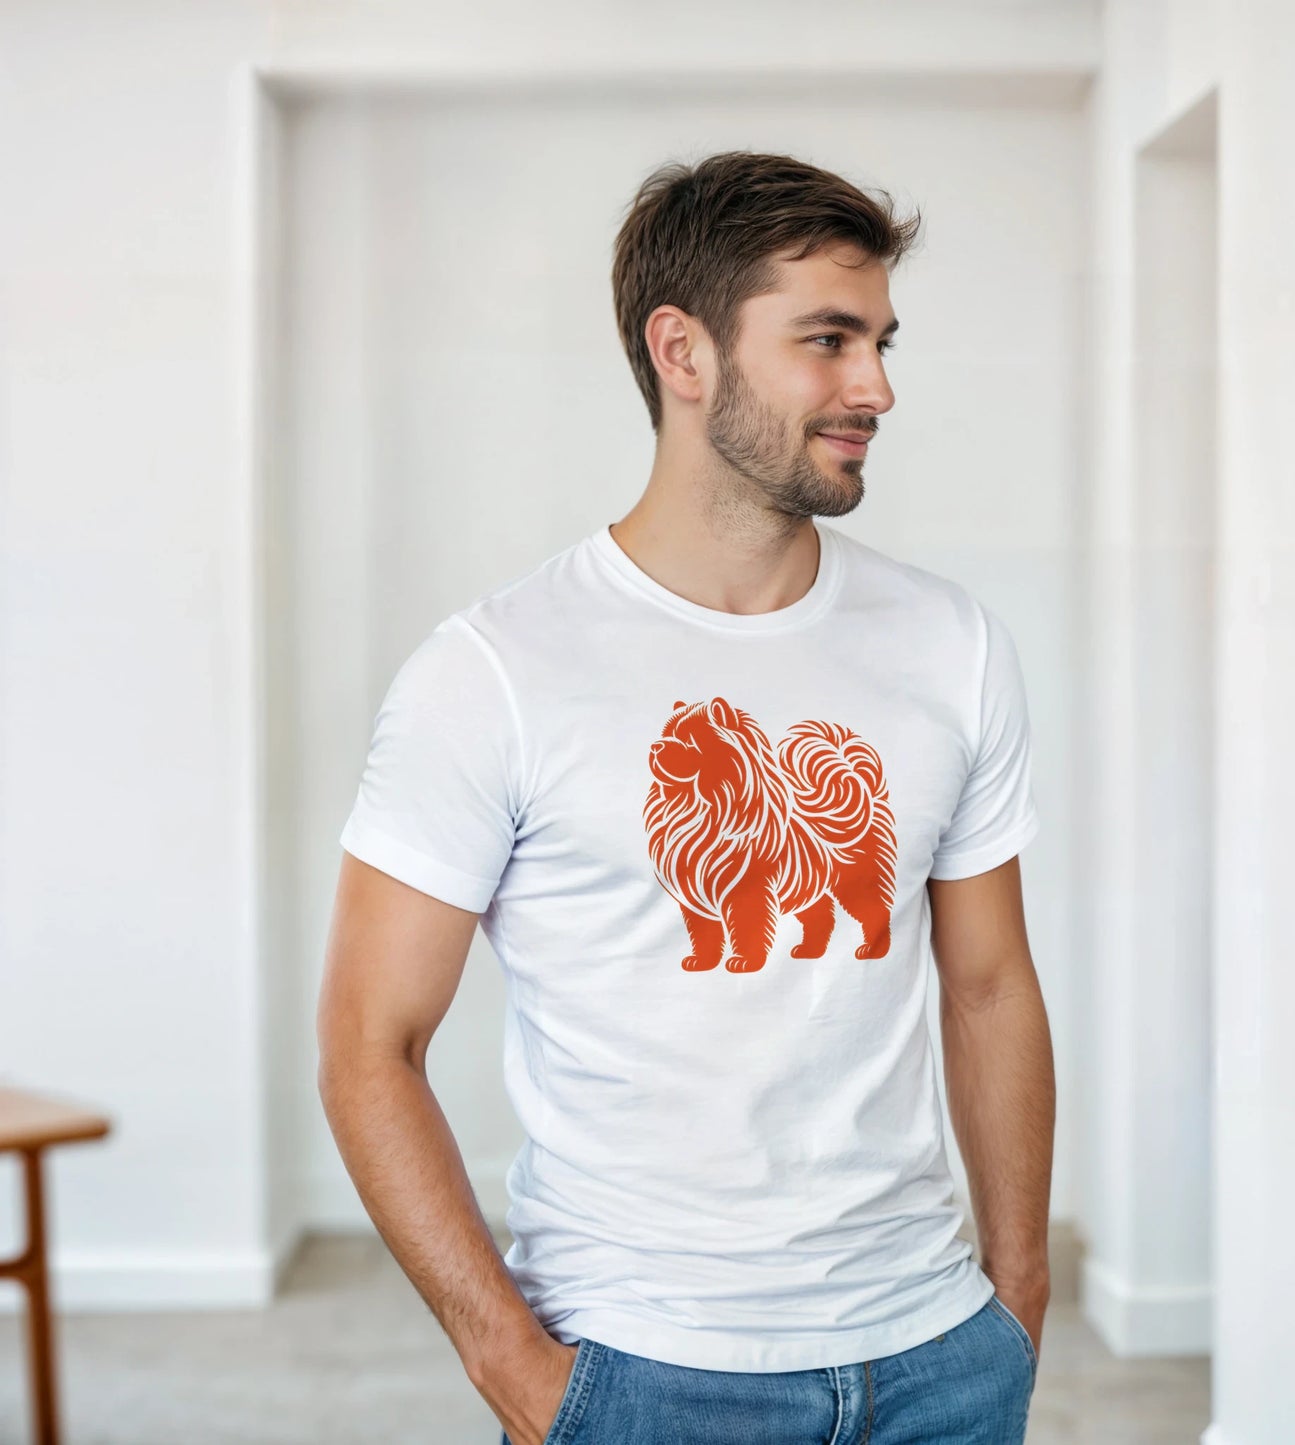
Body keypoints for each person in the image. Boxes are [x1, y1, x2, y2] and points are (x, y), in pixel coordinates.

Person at [317, 149, 1054, 1445]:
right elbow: (367, 1043)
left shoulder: (952, 643)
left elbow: (989, 983)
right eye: (826, 339)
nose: (874, 385)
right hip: (643, 1368)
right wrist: (519, 1373)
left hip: (934, 1357)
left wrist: (1016, 1301)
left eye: (879, 340)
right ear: (683, 350)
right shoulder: (493, 671)